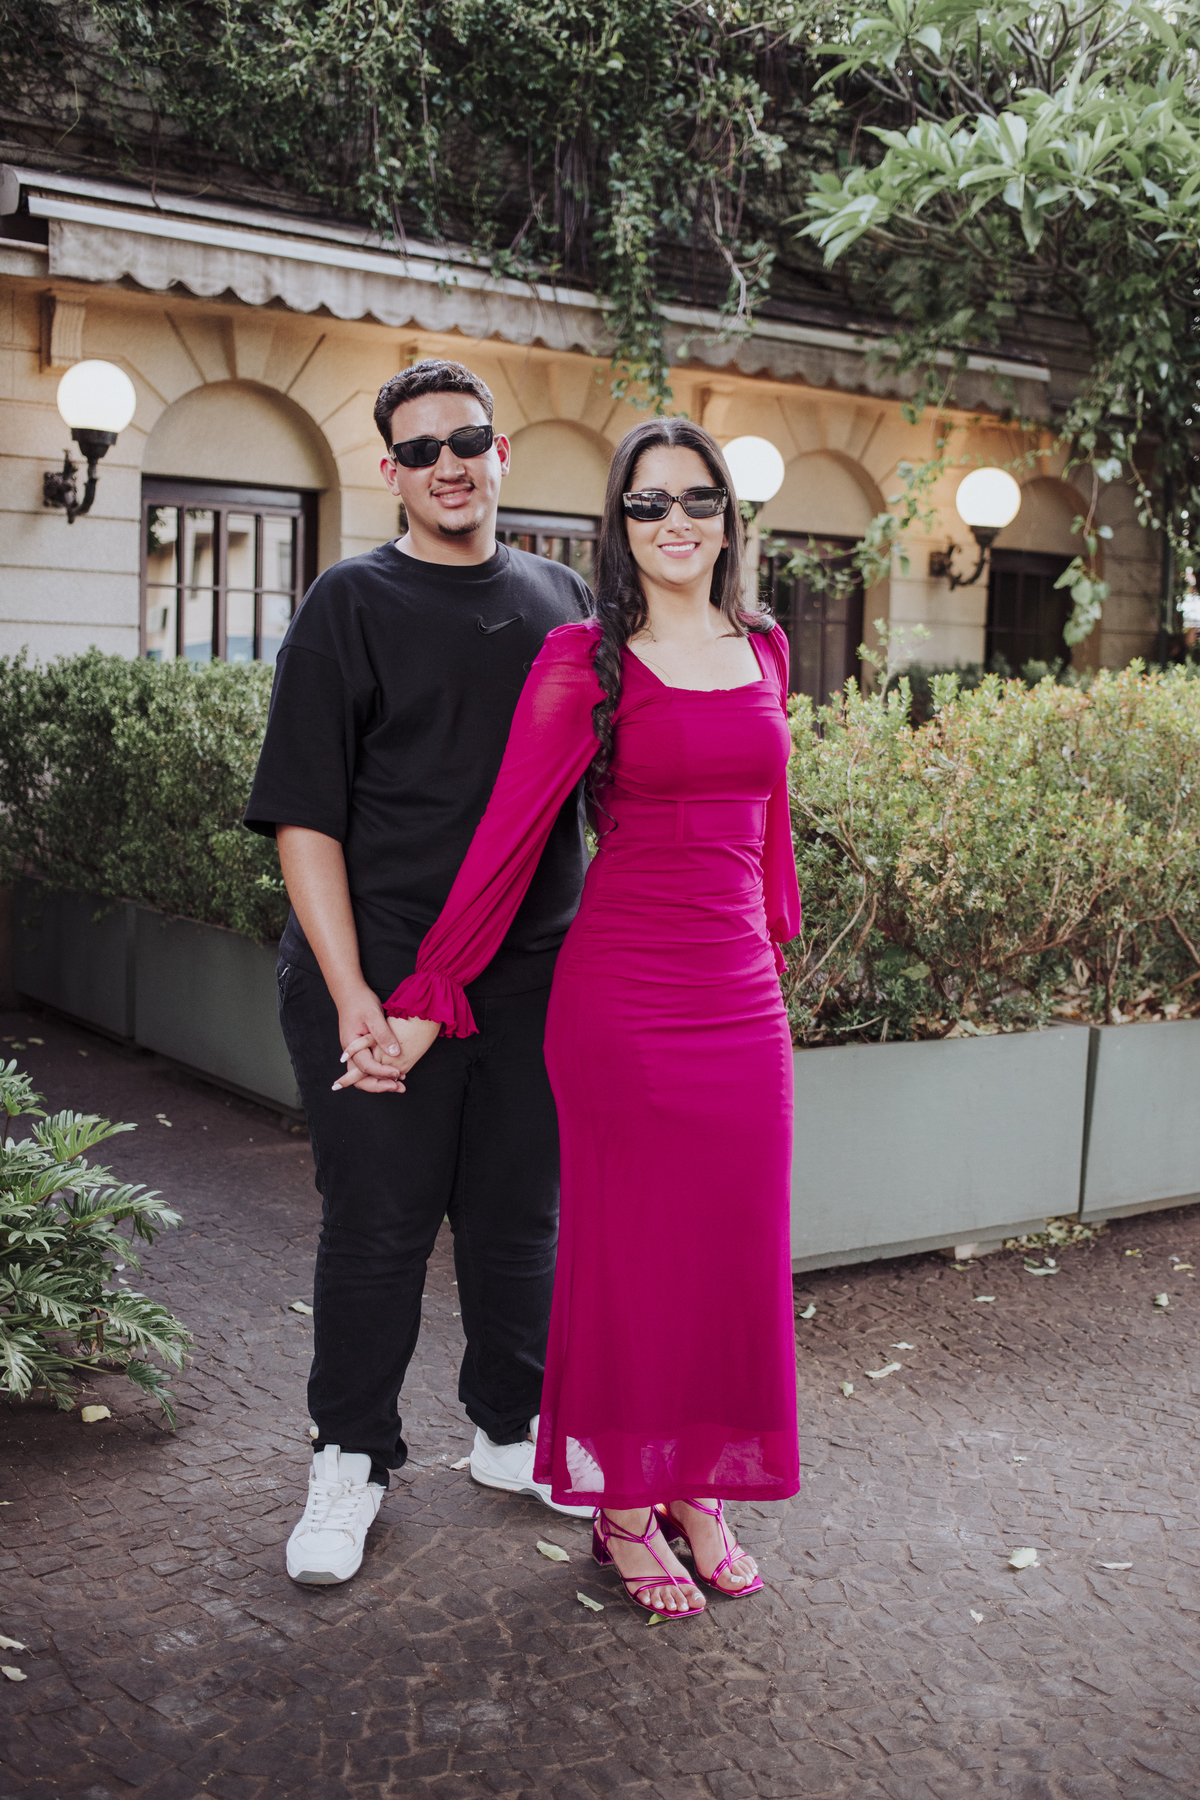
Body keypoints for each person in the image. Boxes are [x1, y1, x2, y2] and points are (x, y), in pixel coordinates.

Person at [365, 417, 802, 1617]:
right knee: (633, 1257)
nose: (676, 523)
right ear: (620, 526)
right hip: (625, 997)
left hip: (740, 996)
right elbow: (508, 839)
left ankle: (697, 1487)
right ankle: (622, 1502)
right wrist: (428, 995)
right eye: (649, 504)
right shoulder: (586, 660)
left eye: (698, 499)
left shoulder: (764, 644)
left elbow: (767, 817)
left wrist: (773, 933)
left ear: (729, 519)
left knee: (731, 1248)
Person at [245, 358, 595, 1589]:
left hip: (533, 975)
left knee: (519, 1218)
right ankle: (351, 1456)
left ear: (502, 455)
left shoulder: (563, 597)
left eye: (469, 440)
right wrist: (351, 994)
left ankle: (512, 1431)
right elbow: (305, 817)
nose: (450, 463)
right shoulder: (351, 600)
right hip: (384, 972)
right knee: (381, 1224)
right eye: (421, 448)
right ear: (391, 472)